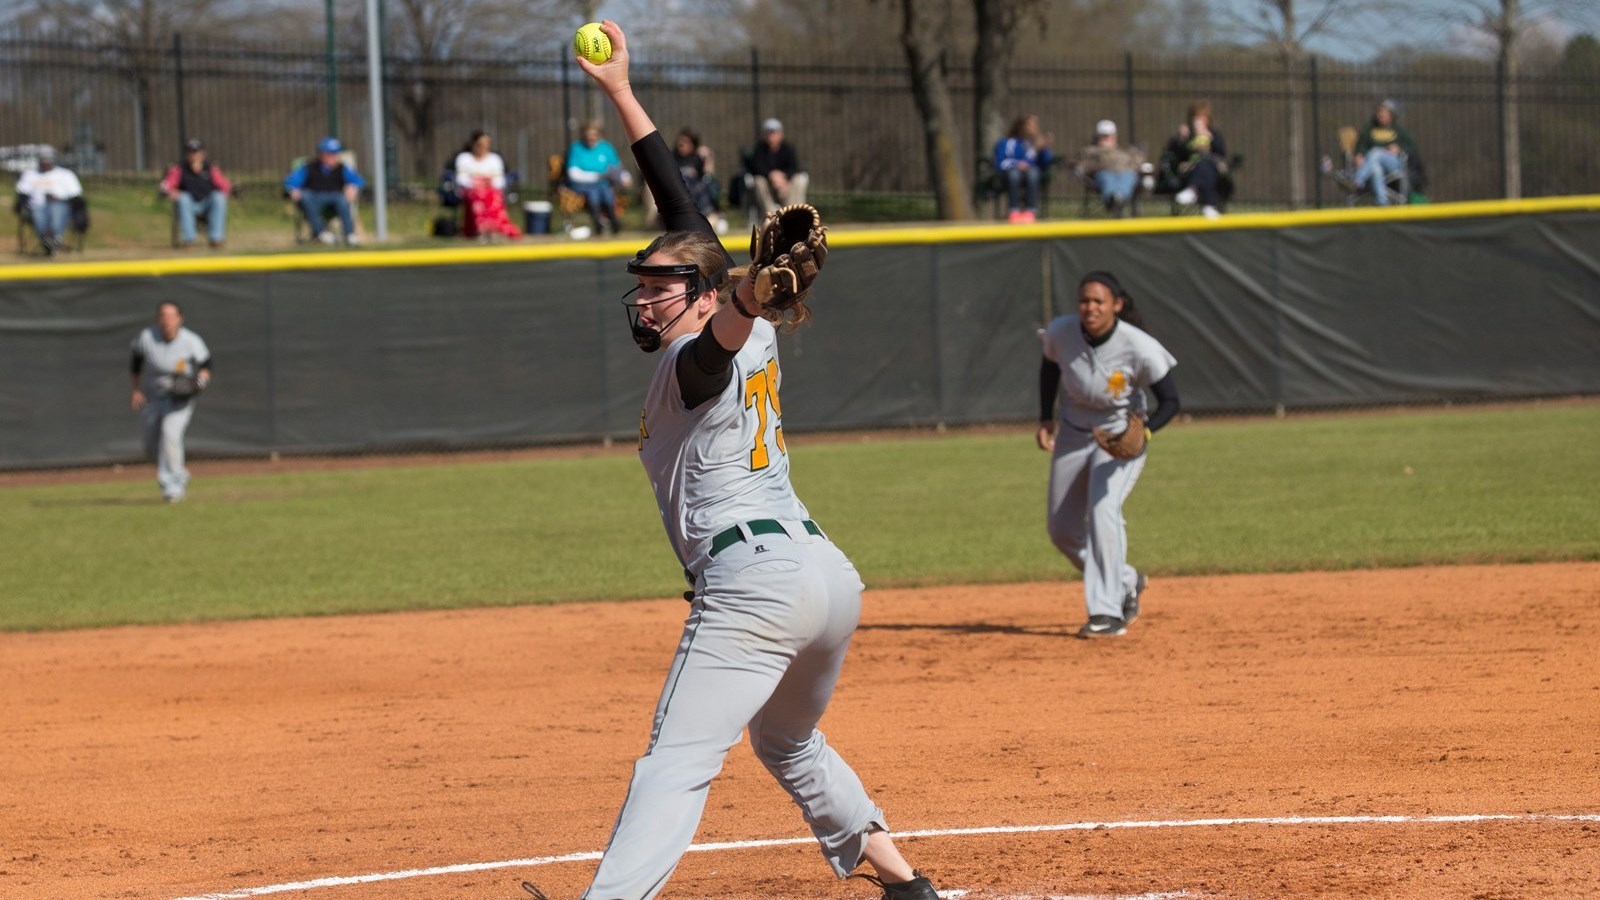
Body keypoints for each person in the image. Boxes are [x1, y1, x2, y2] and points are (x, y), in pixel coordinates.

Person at [522, 20, 940, 900]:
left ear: (705, 294)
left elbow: (713, 341)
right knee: (786, 741)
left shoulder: (696, 354)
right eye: (638, 284)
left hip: (752, 581)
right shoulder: (717, 306)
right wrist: (622, 94)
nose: (642, 298)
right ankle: (903, 881)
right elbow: (681, 213)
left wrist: (751, 293)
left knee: (676, 760)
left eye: (655, 287)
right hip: (825, 576)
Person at [1037, 271, 1181, 638]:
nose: (1090, 307)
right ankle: (1126, 579)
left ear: (1116, 305)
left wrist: (1144, 433)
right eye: (1085, 300)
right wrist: (1044, 418)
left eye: (1099, 301)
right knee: (1063, 530)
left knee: (1103, 511)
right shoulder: (1062, 332)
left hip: (1118, 436)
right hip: (1073, 433)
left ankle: (1107, 612)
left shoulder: (1138, 346)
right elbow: (1050, 368)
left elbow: (1171, 401)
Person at [130, 301, 212, 504]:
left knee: (170, 436)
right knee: (150, 446)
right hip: (153, 397)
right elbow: (136, 361)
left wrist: (200, 382)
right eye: (162, 315)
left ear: (179, 319)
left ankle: (172, 487)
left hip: (178, 399)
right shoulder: (147, 337)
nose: (166, 320)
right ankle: (180, 473)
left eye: (170, 315)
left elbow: (206, 364)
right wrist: (136, 389)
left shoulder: (190, 340)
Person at [283, 137, 365, 245]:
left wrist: (353, 187)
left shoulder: (342, 168)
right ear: (321, 154)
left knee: (342, 200)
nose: (333, 157)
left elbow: (358, 180)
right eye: (330, 154)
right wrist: (294, 190)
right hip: (314, 199)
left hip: (335, 199)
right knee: (306, 196)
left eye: (335, 154)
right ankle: (321, 234)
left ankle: (349, 235)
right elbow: (290, 182)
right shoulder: (309, 168)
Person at [161, 138, 232, 248]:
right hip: (189, 205)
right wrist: (171, 192)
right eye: (191, 152)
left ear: (203, 154)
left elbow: (225, 186)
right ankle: (189, 240)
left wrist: (223, 194)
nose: (194, 155)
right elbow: (165, 185)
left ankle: (216, 239)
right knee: (184, 198)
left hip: (207, 204)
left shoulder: (211, 169)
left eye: (196, 152)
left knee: (218, 198)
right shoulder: (179, 169)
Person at [453, 130, 522, 239]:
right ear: (474, 144)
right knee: (479, 196)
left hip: (491, 191)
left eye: (487, 144)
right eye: (480, 144)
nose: (484, 147)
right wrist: (476, 182)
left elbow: (500, 181)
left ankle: (495, 228)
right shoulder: (464, 158)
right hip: (471, 191)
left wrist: (489, 182)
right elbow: (461, 179)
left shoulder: (494, 159)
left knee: (493, 196)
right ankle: (482, 229)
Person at [1166, 100, 1229, 218]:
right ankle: (1209, 205)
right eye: (1197, 117)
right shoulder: (1187, 134)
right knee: (1202, 165)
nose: (1200, 120)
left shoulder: (1213, 134)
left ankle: (1193, 189)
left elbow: (1221, 153)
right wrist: (1181, 140)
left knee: (1205, 163)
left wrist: (1209, 137)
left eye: (1203, 117)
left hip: (1212, 168)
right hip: (1190, 169)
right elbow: (1174, 154)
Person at [566, 121, 629, 235]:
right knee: (593, 193)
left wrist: (624, 177)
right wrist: (595, 176)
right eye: (588, 135)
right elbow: (573, 174)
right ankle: (597, 224)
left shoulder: (606, 148)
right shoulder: (576, 148)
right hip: (583, 185)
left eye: (594, 134)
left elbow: (617, 168)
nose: (591, 138)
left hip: (603, 185)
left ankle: (614, 222)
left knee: (607, 194)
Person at [15, 146, 82, 255]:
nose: (45, 162)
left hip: (61, 206)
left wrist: (58, 198)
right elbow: (22, 195)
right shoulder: (30, 175)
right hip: (37, 207)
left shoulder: (66, 175)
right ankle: (49, 239)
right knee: (37, 213)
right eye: (43, 160)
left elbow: (76, 197)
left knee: (56, 208)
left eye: (48, 160)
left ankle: (53, 238)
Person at [1353, 99, 1419, 206]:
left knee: (1376, 152)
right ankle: (1382, 203)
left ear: (1391, 115)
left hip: (1394, 164)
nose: (1381, 115)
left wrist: (1399, 149)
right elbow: (1361, 145)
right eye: (1380, 112)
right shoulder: (1369, 129)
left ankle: (1357, 180)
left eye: (1384, 113)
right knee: (1375, 169)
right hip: (1372, 164)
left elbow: (1412, 147)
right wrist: (1359, 155)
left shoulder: (1399, 131)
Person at [1074, 119, 1146, 217]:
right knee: (1107, 178)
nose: (1107, 139)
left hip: (1124, 173)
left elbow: (1136, 163)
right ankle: (1113, 200)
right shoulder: (1090, 151)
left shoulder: (1124, 151)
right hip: (1103, 173)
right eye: (1104, 136)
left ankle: (1119, 199)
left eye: (1109, 136)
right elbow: (1083, 164)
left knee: (1129, 176)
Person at [993, 114, 1054, 223]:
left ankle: (1031, 211)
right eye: (1030, 125)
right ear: (1021, 126)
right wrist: (1017, 164)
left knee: (1033, 173)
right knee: (1014, 175)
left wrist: (1044, 148)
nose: (1034, 128)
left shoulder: (1032, 143)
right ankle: (1013, 210)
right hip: (1009, 173)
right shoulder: (1007, 142)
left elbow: (1045, 161)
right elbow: (1001, 162)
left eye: (1035, 125)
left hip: (1029, 174)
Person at [748, 117, 809, 214]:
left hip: (786, 185)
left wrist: (784, 177)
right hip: (768, 187)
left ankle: (794, 214)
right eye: (768, 133)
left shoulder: (788, 148)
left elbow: (794, 167)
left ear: (781, 134)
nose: (771, 137)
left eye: (774, 133)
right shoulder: (759, 149)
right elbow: (755, 167)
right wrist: (771, 175)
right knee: (759, 181)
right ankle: (772, 217)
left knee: (800, 179)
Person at [673, 127, 725, 234]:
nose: (681, 145)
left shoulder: (697, 158)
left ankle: (713, 216)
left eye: (685, 142)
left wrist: (708, 158)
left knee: (707, 183)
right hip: (679, 196)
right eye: (680, 142)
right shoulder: (673, 158)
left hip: (697, 198)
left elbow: (708, 175)